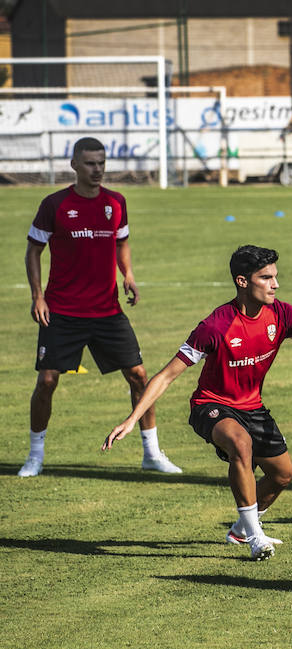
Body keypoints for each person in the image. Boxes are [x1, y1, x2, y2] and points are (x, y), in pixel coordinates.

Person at [102, 245, 292, 560]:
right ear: (243, 281)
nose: (275, 285)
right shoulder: (216, 326)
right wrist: (132, 419)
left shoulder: (283, 314)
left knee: (283, 475)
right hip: (211, 406)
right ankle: (255, 538)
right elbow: (165, 375)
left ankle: (240, 529)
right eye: (266, 278)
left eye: (275, 277)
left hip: (252, 407)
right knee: (240, 445)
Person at [21, 136, 181, 477]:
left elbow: (122, 243)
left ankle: (151, 452)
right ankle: (35, 456)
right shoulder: (55, 204)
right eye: (91, 163)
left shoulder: (116, 202)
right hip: (62, 310)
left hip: (107, 311)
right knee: (47, 381)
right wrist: (38, 295)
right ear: (75, 165)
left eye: (102, 163)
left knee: (139, 375)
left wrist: (129, 275)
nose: (97, 169)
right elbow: (33, 250)